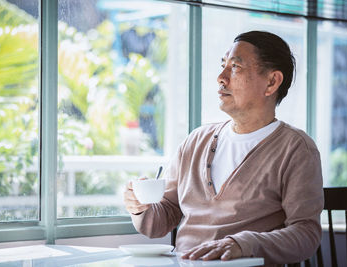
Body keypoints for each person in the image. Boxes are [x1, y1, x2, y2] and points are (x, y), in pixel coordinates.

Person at [124, 31, 324, 266]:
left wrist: (243, 245)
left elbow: (306, 234)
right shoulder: (195, 142)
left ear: (271, 82)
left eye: (235, 67)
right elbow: (160, 220)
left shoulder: (296, 149)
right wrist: (140, 208)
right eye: (223, 65)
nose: (221, 77)